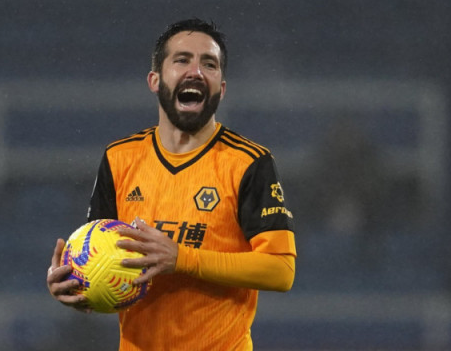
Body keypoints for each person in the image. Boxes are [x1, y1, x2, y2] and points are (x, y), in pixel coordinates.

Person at [47, 18, 297, 350]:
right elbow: (102, 264)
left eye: (209, 64)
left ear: (221, 88)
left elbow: (281, 270)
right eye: (182, 60)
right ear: (155, 80)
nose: (196, 71)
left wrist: (181, 258)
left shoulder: (249, 163)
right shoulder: (119, 158)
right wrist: (75, 285)